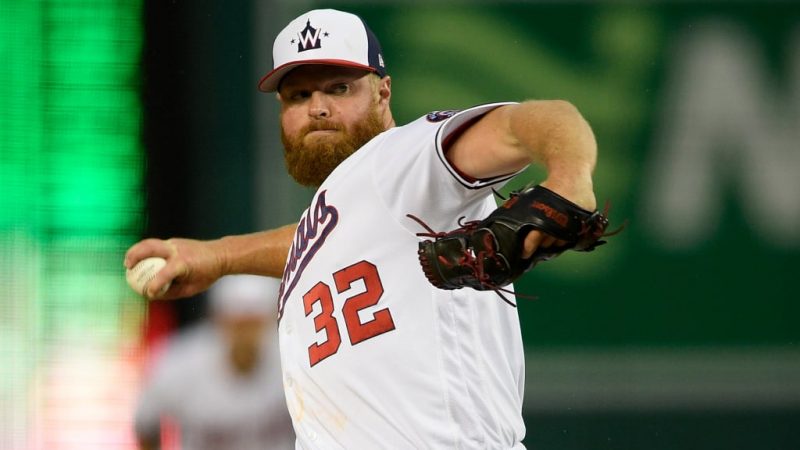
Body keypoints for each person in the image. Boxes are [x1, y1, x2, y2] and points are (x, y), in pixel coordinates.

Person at [125, 8, 599, 448]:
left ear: (382, 92)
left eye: (339, 88)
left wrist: (570, 179)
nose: (318, 107)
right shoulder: (347, 207)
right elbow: (326, 242)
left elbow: (537, 120)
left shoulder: (404, 158)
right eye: (299, 95)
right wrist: (219, 256)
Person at [133, 275, 294, 450]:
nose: (246, 334)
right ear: (218, 319)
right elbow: (146, 421)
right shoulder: (183, 364)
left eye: (254, 322)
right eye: (238, 323)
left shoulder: (293, 359)